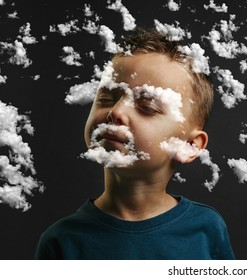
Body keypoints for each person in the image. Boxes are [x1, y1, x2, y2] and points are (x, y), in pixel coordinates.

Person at [34, 29, 235, 259]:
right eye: (107, 98)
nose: (116, 111)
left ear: (188, 145)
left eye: (147, 107)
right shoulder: (61, 242)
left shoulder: (207, 229)